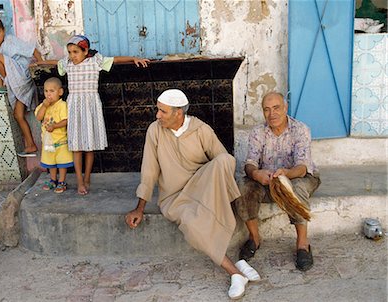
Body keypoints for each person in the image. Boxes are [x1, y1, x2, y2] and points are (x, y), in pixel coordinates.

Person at [125, 89, 261, 299]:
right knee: (192, 222)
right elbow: (149, 169)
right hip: (175, 196)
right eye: (157, 110)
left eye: (162, 111)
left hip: (201, 185)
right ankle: (235, 271)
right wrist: (140, 207)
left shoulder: (201, 129)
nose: (157, 115)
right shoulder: (155, 130)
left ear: (178, 113)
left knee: (226, 161)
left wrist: (218, 187)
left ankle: (242, 255)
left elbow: (223, 159)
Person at [35, 35, 149, 195]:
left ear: (85, 50)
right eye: (69, 52)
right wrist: (40, 62)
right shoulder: (67, 63)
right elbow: (55, 63)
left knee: (89, 147)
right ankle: (80, 181)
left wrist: (133, 58)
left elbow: (115, 60)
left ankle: (87, 178)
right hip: (74, 107)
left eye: (75, 52)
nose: (72, 55)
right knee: (76, 147)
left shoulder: (95, 61)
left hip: (91, 107)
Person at [236, 92, 321, 271]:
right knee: (243, 187)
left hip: (298, 175)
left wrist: (287, 174)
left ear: (285, 108)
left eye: (276, 108)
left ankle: (303, 245)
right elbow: (250, 163)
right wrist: (256, 174)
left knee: (296, 188)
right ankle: (254, 238)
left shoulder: (300, 129)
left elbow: (302, 167)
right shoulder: (258, 132)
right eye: (267, 110)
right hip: (268, 180)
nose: (272, 114)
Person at [0, 17, 41, 157]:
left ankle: (8, 80)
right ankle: (31, 145)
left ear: (3, 30)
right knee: (18, 115)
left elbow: (32, 50)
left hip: (21, 75)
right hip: (12, 81)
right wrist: (1, 85)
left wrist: (42, 64)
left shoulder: (11, 40)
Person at [35, 77, 73, 193]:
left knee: (61, 163)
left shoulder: (62, 105)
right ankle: (52, 180)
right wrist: (45, 106)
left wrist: (55, 126)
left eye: (52, 91)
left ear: (60, 92)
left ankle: (61, 181)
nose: (48, 94)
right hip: (47, 142)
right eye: (46, 91)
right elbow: (38, 117)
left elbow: (66, 120)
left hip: (61, 141)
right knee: (50, 163)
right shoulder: (43, 105)